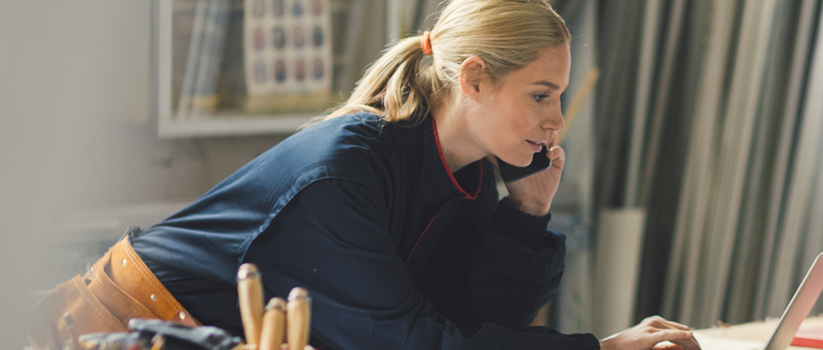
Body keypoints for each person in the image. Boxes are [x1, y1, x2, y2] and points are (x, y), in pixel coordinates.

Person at [26, 1, 700, 349]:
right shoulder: (343, 172)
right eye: (541, 94)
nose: (557, 121)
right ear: (473, 79)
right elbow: (414, 347)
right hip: (110, 332)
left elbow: (469, 324)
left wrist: (525, 217)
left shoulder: (468, 175)